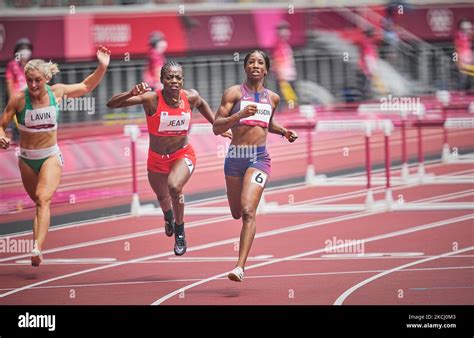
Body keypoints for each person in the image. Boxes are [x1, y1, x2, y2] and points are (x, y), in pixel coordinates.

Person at [0, 46, 111, 267]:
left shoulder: (57, 92)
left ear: (46, 79)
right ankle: (37, 245)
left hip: (50, 156)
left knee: (43, 199)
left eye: (37, 81)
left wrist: (102, 66)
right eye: (29, 80)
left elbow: (86, 85)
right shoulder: (19, 100)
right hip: (26, 159)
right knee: (38, 203)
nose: (32, 85)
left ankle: (36, 249)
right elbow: (1, 125)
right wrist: (1, 136)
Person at [107, 60, 231, 256]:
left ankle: (180, 231)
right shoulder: (151, 99)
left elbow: (201, 103)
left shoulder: (190, 97)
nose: (174, 81)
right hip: (156, 158)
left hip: (182, 154)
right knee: (162, 197)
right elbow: (111, 104)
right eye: (169, 77)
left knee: (174, 186)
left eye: (178, 77)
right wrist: (131, 93)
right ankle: (168, 216)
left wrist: (217, 125)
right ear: (162, 80)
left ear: (182, 80)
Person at [213, 50, 298, 282]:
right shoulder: (233, 93)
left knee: (249, 211)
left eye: (260, 62)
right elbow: (216, 127)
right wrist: (238, 115)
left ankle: (239, 267)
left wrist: (283, 131)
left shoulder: (273, 98)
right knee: (236, 212)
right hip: (234, 158)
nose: (255, 65)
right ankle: (240, 220)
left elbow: (267, 123)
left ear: (266, 69)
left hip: (259, 158)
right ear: (245, 67)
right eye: (251, 61)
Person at [5, 38, 34, 143]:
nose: (25, 51)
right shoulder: (12, 65)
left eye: (27, 48)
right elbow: (9, 82)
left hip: (31, 100)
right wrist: (12, 100)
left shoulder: (32, 65)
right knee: (18, 127)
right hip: (18, 100)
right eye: (22, 48)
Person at [272, 20, 298, 110]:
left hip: (289, 77)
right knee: (290, 102)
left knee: (292, 101)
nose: (287, 32)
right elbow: (277, 61)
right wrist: (281, 76)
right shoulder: (278, 46)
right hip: (284, 78)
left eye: (287, 29)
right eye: (283, 29)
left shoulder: (285, 45)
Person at [454, 18, 473, 91]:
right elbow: (455, 49)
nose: (468, 30)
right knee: (463, 77)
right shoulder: (458, 35)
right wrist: (455, 61)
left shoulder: (469, 36)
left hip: (469, 58)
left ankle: (470, 90)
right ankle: (461, 92)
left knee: (470, 75)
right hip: (462, 59)